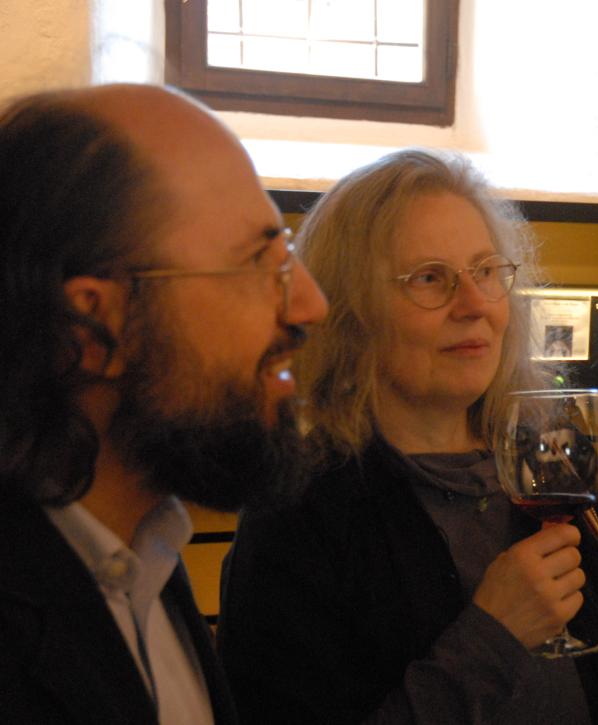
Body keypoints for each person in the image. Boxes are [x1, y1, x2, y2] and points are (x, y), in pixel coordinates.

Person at [217, 148, 598, 724]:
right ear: (351, 312)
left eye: (485, 270)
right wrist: (493, 637)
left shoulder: (555, 461)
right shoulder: (297, 512)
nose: (473, 305)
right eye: (429, 278)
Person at [0, 84, 328, 723]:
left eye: (288, 256)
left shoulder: (143, 554)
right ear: (93, 326)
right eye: (259, 263)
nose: (310, 304)